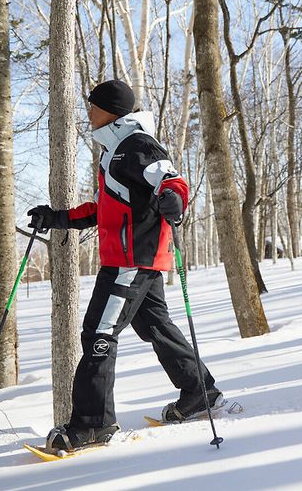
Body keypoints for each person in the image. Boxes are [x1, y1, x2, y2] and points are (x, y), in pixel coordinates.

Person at [28, 79, 223, 451]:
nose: (88, 112)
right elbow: (107, 209)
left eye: (93, 106)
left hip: (131, 259)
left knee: (98, 333)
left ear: (112, 110)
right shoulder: (114, 150)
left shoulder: (136, 144)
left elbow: (171, 179)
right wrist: (56, 217)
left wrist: (174, 198)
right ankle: (199, 391)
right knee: (157, 327)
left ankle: (93, 424)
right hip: (138, 259)